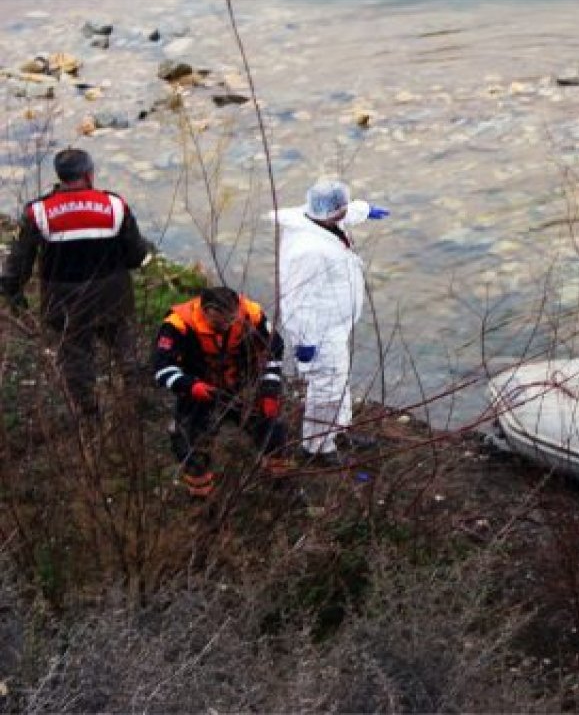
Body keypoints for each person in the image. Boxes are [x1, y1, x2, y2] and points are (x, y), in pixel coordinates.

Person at [0, 148, 152, 415]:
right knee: (124, 344)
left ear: (60, 176)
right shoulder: (115, 205)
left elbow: (21, 259)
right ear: (89, 174)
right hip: (112, 294)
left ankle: (88, 410)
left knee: (75, 355)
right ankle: (135, 399)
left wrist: (12, 289)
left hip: (64, 301)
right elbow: (137, 254)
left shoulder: (38, 212)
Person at [275, 180, 389, 467]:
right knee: (327, 388)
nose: (344, 214)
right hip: (319, 332)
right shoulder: (308, 251)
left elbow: (343, 215)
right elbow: (296, 299)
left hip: (335, 323)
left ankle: (338, 429)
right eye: (341, 210)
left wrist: (365, 210)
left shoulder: (317, 220)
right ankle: (317, 447)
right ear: (327, 213)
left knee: (340, 380)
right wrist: (305, 341)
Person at [153, 287, 287, 497]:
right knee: (190, 442)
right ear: (206, 311)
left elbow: (274, 350)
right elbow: (162, 368)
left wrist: (269, 388)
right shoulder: (178, 324)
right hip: (199, 388)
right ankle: (201, 495)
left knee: (272, 427)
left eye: (231, 321)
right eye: (219, 323)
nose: (227, 327)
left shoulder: (250, 314)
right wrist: (190, 386)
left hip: (242, 384)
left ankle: (279, 482)